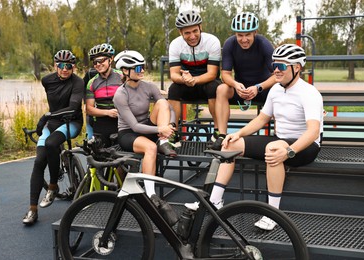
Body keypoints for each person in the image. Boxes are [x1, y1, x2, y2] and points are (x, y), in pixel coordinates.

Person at [187, 44, 324, 231]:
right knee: (231, 144)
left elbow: (313, 132)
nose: (276, 69)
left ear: (297, 67)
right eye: (274, 65)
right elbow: (262, 118)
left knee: (273, 149)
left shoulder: (309, 93)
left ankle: (273, 214)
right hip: (280, 139)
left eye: (282, 66)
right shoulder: (276, 89)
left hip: (306, 146)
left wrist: (290, 151)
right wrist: (237, 134)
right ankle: (214, 201)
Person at [23, 50, 84, 225]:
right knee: (39, 161)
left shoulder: (78, 82)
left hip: (71, 122)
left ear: (74, 66)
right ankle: (32, 210)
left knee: (51, 143)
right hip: (53, 123)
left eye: (69, 66)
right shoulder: (47, 80)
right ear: (55, 65)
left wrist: (46, 116)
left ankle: (52, 186)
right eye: (61, 65)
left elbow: (73, 108)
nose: (65, 69)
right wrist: (49, 118)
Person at [113, 50, 177, 199]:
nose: (141, 70)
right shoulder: (120, 94)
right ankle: (151, 193)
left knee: (162, 102)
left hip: (148, 127)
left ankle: (164, 141)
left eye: (142, 66)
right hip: (129, 133)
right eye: (137, 68)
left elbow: (170, 108)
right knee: (151, 148)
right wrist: (161, 128)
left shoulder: (149, 86)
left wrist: (171, 125)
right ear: (125, 71)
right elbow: (135, 126)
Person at [209, 12, 277, 150]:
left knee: (278, 90)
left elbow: (277, 75)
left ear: (255, 33)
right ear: (235, 34)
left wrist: (258, 87)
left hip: (263, 89)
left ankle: (279, 137)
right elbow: (225, 74)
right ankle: (221, 135)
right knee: (221, 89)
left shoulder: (264, 44)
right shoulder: (229, 44)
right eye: (240, 35)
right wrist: (235, 84)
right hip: (241, 89)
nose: (244, 39)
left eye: (248, 35)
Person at [167, 10, 221, 145]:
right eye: (187, 33)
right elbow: (173, 74)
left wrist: (194, 80)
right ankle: (173, 132)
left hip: (207, 81)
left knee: (215, 88)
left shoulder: (212, 41)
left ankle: (218, 130)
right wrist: (184, 80)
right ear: (180, 33)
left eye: (195, 31)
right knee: (173, 89)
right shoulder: (175, 44)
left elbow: (212, 74)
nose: (192, 36)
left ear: (200, 27)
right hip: (186, 82)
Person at [85, 43, 123, 147]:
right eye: (95, 62)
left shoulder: (122, 77)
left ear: (111, 59)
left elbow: (138, 86)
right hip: (102, 121)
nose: (98, 64)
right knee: (100, 155)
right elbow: (89, 109)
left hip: (121, 121)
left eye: (101, 60)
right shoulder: (92, 83)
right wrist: (108, 112)